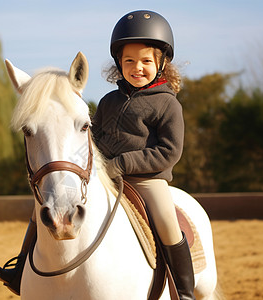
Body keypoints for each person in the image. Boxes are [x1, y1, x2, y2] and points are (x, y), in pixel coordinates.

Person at [91, 10, 196, 300]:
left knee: (167, 223)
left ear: (161, 63)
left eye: (146, 61)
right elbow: (95, 137)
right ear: (118, 63)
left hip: (147, 181)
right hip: (104, 176)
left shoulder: (167, 104)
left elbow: (169, 151)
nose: (137, 67)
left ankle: (185, 293)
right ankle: (22, 265)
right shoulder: (107, 101)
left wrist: (122, 164)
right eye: (129, 61)